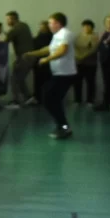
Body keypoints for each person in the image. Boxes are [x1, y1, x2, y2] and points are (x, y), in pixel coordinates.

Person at [39, 12, 77, 140]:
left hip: (65, 74)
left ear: (58, 23)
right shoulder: (57, 35)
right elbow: (49, 49)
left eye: (51, 23)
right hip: (59, 73)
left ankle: (64, 127)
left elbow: (62, 50)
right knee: (52, 99)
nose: (49, 25)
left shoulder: (65, 34)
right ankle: (62, 126)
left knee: (49, 98)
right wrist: (31, 54)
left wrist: (47, 59)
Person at [4, 11, 34, 107]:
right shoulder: (24, 25)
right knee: (20, 78)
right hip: (29, 56)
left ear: (13, 19)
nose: (7, 22)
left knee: (15, 79)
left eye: (8, 19)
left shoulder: (16, 28)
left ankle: (16, 101)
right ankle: (28, 98)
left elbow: (5, 41)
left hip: (24, 57)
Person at [74, 19, 99, 107]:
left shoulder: (95, 36)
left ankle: (90, 100)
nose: (86, 28)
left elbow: (94, 49)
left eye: (88, 26)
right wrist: (77, 55)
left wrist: (82, 56)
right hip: (78, 63)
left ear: (92, 27)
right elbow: (74, 47)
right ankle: (77, 100)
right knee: (77, 82)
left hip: (90, 63)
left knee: (90, 82)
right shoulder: (78, 36)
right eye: (84, 26)